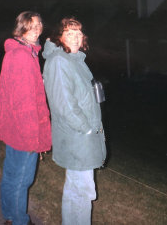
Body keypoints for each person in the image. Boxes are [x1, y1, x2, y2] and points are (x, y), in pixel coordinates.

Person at [42, 17, 107, 225]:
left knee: (78, 191)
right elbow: (64, 105)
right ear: (59, 37)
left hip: (83, 136)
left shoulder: (76, 60)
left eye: (78, 33)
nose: (76, 38)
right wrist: (87, 129)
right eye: (70, 33)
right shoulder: (59, 61)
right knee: (80, 192)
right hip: (78, 137)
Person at [0, 11, 51, 225]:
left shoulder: (24, 52)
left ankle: (10, 216)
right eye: (31, 25)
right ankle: (19, 220)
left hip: (15, 128)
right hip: (24, 130)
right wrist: (31, 137)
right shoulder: (22, 56)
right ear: (21, 28)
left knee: (12, 176)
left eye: (39, 24)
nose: (37, 28)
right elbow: (23, 102)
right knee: (21, 179)